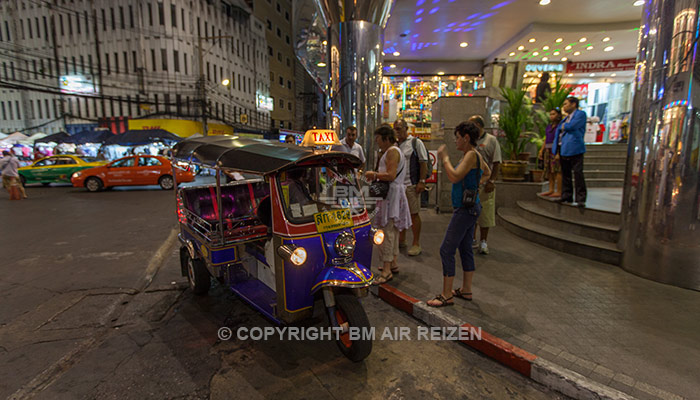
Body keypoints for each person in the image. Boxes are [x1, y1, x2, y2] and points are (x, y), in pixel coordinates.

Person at [427, 121, 490, 307]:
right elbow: (487, 172)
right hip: (471, 207)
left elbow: (454, 176)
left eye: (457, 137)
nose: (455, 141)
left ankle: (447, 294)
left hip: (465, 209)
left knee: (446, 249)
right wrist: (477, 185)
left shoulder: (471, 155)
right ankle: (466, 289)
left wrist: (444, 158)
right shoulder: (474, 155)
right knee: (465, 249)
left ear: (466, 138)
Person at [365, 125, 411, 284]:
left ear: (385, 138)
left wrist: (374, 174)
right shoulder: (396, 151)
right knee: (393, 230)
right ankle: (392, 263)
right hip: (393, 194)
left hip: (390, 195)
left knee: (387, 231)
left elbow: (390, 175)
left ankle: (386, 270)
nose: (377, 142)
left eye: (378, 138)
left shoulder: (392, 151)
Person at [393, 119, 428, 256]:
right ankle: (402, 239)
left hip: (411, 184)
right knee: (400, 213)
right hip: (398, 185)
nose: (398, 131)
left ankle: (416, 243)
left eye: (400, 128)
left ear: (406, 128)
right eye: (395, 129)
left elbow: (423, 162)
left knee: (414, 214)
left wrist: (422, 181)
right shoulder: (396, 144)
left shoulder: (415, 143)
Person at [468, 115, 501, 255]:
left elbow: (496, 162)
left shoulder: (491, 140)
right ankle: (472, 239)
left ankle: (483, 241)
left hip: (485, 184)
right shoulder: (470, 140)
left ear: (477, 125)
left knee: (485, 214)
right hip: (472, 183)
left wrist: (491, 181)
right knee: (471, 213)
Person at [552, 96, 587, 207]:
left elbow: (572, 126)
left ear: (573, 104)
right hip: (564, 149)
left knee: (578, 174)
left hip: (575, 149)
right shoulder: (565, 118)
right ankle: (566, 196)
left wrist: (563, 126)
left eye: (566, 104)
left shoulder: (580, 115)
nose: (564, 106)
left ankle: (580, 198)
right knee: (566, 174)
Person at [539, 108, 563, 197]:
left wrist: (558, 152)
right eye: (551, 114)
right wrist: (542, 150)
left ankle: (559, 190)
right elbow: (546, 138)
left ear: (558, 115)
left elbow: (561, 139)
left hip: (556, 149)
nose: (551, 116)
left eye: (554, 114)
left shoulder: (560, 126)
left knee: (557, 170)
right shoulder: (549, 126)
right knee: (549, 170)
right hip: (548, 150)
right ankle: (551, 189)